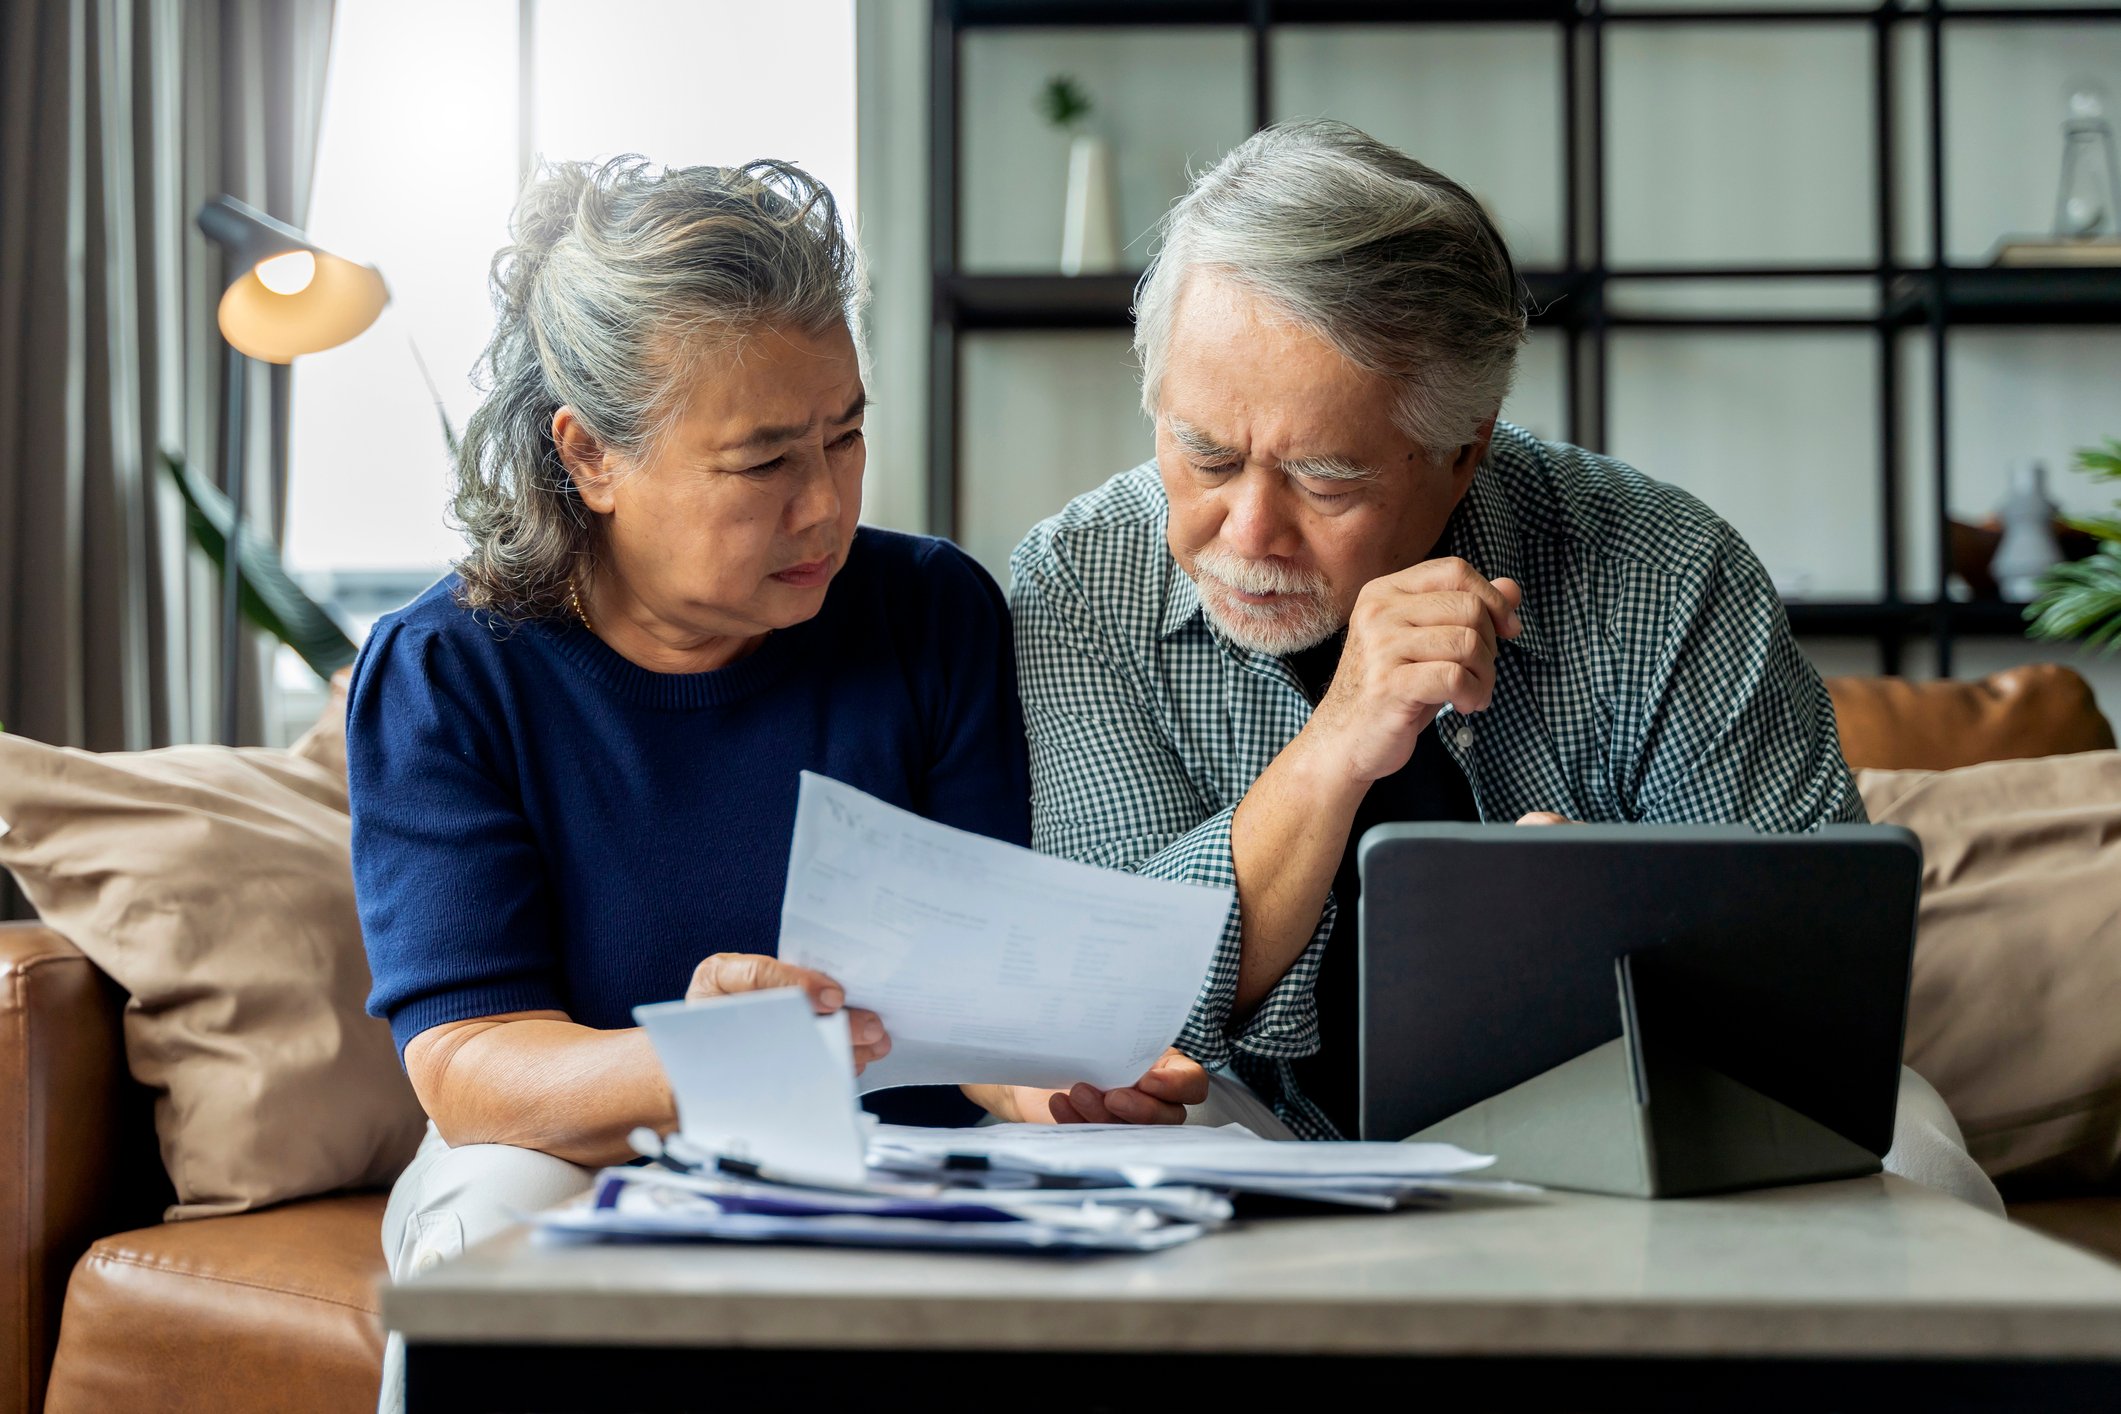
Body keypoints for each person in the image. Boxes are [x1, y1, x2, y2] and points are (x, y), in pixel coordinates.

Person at [1010, 119, 1999, 1210]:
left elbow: (1824, 986)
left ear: (1464, 447)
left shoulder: (1668, 572)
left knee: (1918, 1155)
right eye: (1204, 455)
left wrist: (1613, 931)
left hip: (1626, 1096)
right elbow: (1100, 997)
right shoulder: (1078, 580)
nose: (1248, 533)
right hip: (1247, 1114)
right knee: (1104, 1151)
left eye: (1325, 480)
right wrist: (1340, 740)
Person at [351, 157, 1205, 1411]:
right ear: (588, 454)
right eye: (762, 464)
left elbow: (970, 1005)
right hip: (574, 1156)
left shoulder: (929, 613)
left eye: (847, 434)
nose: (827, 504)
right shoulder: (449, 670)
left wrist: (1054, 1077)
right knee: (494, 1226)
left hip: (894, 1154)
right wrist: (710, 1057)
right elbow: (472, 1072)